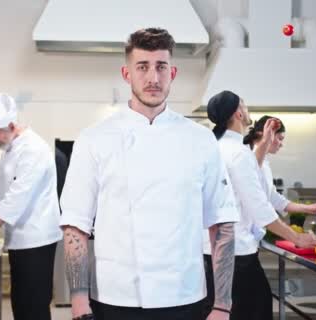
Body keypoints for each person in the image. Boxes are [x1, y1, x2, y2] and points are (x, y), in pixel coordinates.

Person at [60, 28, 239, 320]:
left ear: (173, 72)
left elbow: (222, 225)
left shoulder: (201, 140)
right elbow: (75, 226)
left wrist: (222, 305)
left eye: (161, 66)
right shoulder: (94, 139)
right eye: (142, 67)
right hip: (115, 296)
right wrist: (79, 302)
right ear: (127, 73)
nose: (153, 78)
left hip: (185, 294)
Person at [207, 91, 316, 320]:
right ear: (239, 113)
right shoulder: (238, 153)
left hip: (209, 252)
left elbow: (248, 183)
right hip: (236, 255)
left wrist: (263, 145)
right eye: (245, 106)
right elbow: (259, 206)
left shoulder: (214, 148)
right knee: (256, 310)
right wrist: (296, 238)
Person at [0, 93, 62, 320]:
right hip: (19, 241)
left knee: (34, 307)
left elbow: (13, 202)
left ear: (11, 125)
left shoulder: (34, 149)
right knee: (20, 304)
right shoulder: (10, 150)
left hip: (37, 240)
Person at [244, 116, 316, 216]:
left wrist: (308, 208)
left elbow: (273, 198)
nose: (281, 144)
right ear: (263, 134)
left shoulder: (264, 163)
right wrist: (292, 232)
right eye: (279, 139)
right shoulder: (246, 158)